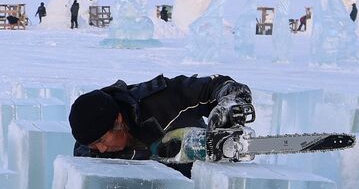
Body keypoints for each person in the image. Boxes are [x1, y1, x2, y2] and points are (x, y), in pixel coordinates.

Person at [68, 73, 252, 176]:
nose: (100, 149)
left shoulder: (161, 100)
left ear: (118, 120)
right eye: (92, 145)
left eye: (101, 139)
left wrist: (230, 103)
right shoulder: (87, 156)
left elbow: (216, 85)